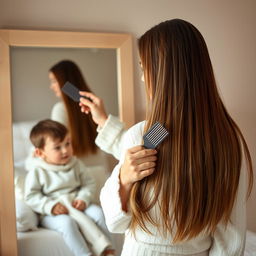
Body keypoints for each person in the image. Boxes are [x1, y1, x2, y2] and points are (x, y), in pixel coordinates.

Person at [81, 19, 253, 256]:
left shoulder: (154, 132)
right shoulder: (226, 141)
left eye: (143, 69)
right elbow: (231, 240)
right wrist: (124, 178)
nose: (142, 79)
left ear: (163, 72)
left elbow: (115, 221)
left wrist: (123, 180)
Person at [24, 119, 115, 256]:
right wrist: (51, 206)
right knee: (67, 223)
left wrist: (83, 198)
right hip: (53, 212)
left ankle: (108, 250)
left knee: (99, 214)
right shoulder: (37, 171)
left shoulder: (76, 164)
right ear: (40, 153)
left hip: (77, 204)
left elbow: (88, 183)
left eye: (67, 143)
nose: (65, 150)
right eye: (57, 147)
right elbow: (31, 196)